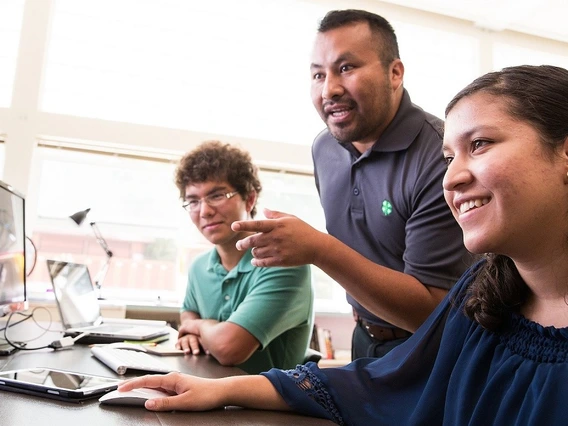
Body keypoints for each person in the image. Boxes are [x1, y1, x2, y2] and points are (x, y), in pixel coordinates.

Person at [119, 64, 568, 424]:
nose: (451, 177)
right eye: (449, 157)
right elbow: (385, 380)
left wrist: (319, 250)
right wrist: (222, 389)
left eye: (482, 144)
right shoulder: (483, 295)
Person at [233, 9, 471, 360]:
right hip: (364, 337)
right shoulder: (324, 147)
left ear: (395, 73)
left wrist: (318, 249)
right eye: (318, 74)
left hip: (434, 348)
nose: (330, 88)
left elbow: (431, 310)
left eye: (346, 68)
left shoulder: (439, 155)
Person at [173, 140, 313, 374]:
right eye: (194, 201)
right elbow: (188, 310)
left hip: (267, 408)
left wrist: (195, 326)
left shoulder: (284, 263)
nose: (204, 211)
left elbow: (229, 348)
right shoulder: (199, 267)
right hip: (207, 392)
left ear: (249, 199)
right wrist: (192, 326)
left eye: (216, 195)